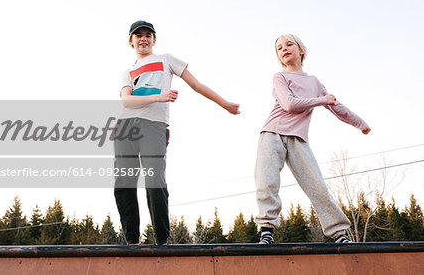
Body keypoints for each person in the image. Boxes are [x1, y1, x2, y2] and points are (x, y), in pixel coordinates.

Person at [114, 20, 240, 245]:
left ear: (154, 40)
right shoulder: (128, 71)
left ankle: (162, 241)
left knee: (155, 181)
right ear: (130, 41)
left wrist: (224, 103)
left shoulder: (166, 60)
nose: (143, 39)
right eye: (138, 35)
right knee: (124, 183)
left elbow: (197, 85)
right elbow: (126, 101)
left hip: (154, 126)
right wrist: (158, 97)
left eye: (148, 35)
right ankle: (132, 242)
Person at [255, 34, 370, 244]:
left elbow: (336, 106)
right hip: (272, 133)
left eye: (289, 44)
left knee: (316, 185)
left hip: (298, 138)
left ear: (301, 50)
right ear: (279, 57)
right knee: (266, 181)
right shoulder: (279, 77)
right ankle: (266, 230)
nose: (284, 49)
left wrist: (360, 123)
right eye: (279, 48)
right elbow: (289, 104)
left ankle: (338, 233)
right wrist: (321, 100)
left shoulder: (314, 82)